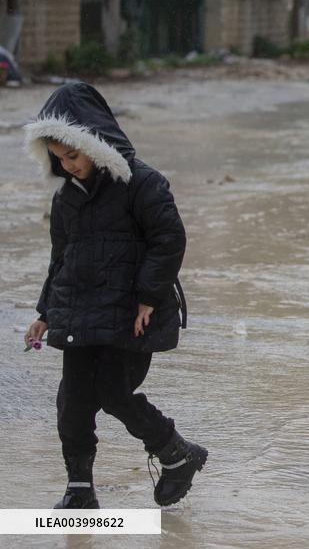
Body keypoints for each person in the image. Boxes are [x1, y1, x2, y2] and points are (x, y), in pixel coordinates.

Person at [22, 82, 207, 507]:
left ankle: (176, 453)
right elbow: (60, 258)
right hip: (81, 314)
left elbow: (169, 240)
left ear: (95, 141)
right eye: (58, 158)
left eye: (73, 155)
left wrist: (148, 296)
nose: (67, 165)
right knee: (72, 402)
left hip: (130, 314)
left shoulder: (143, 183)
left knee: (112, 391)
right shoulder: (66, 198)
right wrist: (45, 312)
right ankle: (79, 490)